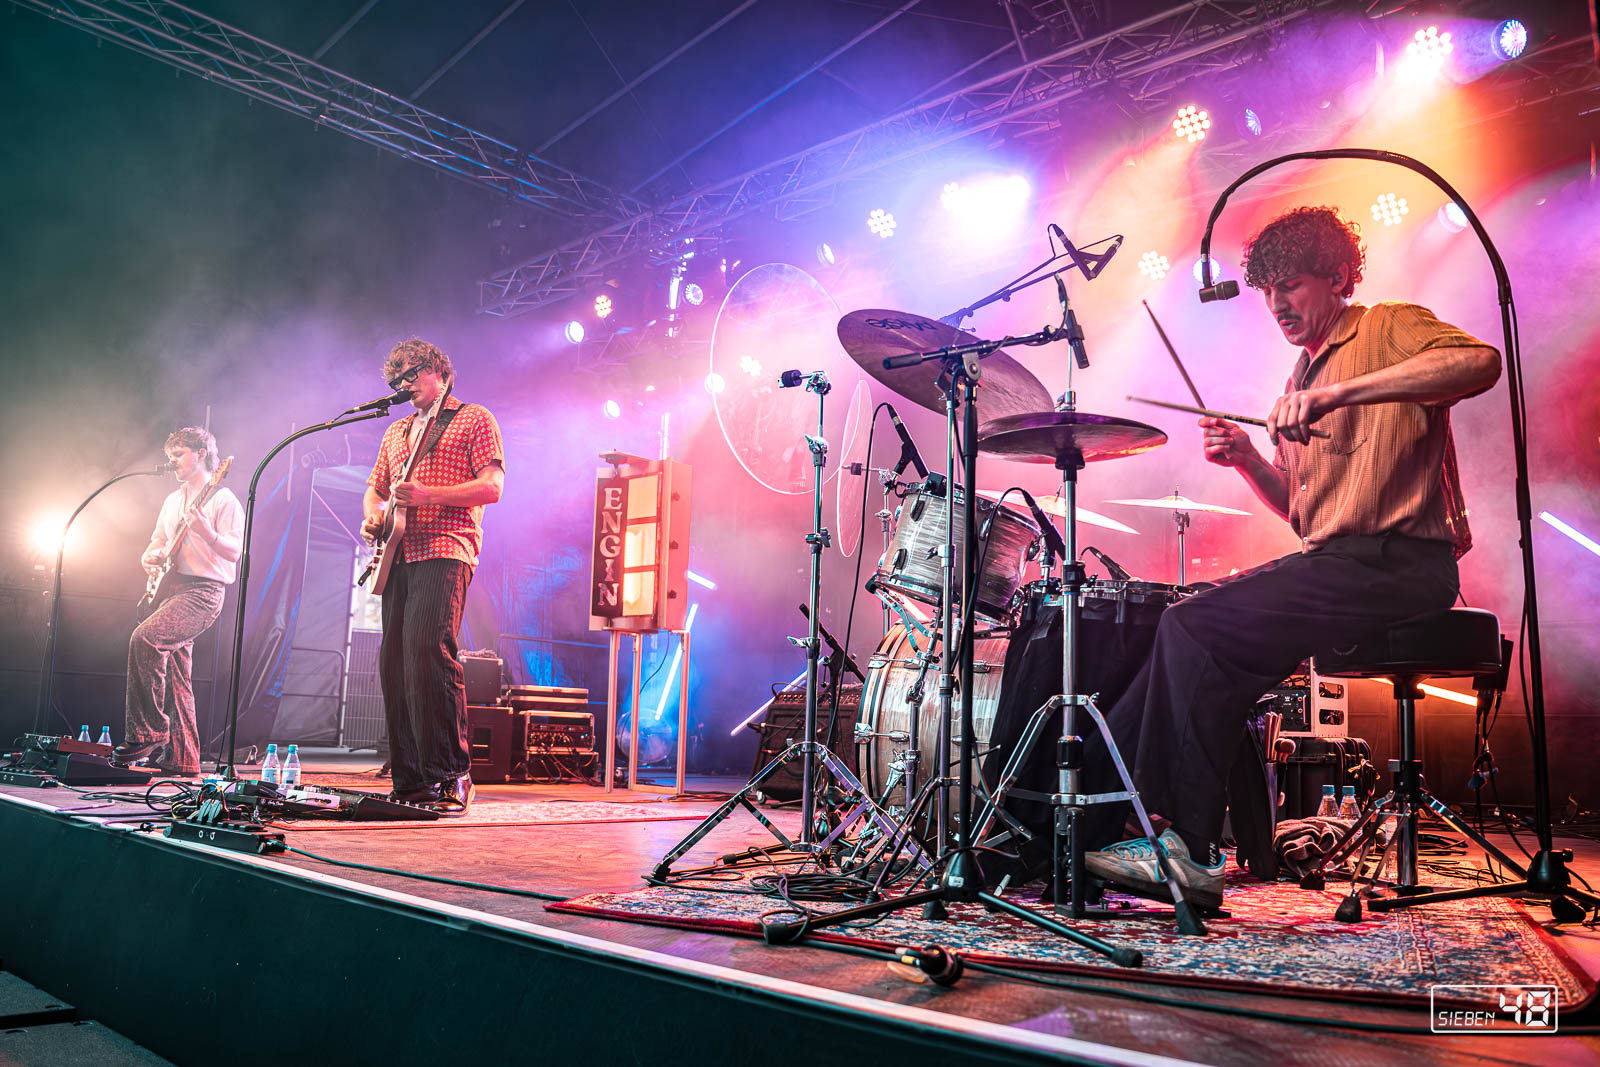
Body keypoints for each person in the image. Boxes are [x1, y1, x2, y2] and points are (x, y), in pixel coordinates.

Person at [1081, 205, 1501, 909]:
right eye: (1268, 289)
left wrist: (1344, 392)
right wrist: (1248, 460)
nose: (1277, 302)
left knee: (1190, 627)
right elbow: (1303, 514)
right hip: (1338, 564)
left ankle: (1165, 839)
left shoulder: (1386, 325)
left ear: (1336, 277)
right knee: (1208, 657)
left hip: (1402, 565)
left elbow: (1480, 362)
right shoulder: (1294, 385)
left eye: (1292, 285)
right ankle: (1179, 846)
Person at [363, 339, 504, 815]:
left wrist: (429, 496)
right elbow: (374, 491)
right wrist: (373, 517)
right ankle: (411, 778)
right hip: (399, 554)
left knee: (428, 652)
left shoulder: (473, 417)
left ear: (438, 371)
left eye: (411, 376)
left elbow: (492, 487)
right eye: (396, 382)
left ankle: (451, 773)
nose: (404, 387)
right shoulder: (396, 431)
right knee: (394, 664)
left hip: (447, 547)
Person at [113, 427, 243, 776]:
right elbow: (156, 542)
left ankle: (148, 732)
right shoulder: (173, 501)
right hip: (171, 588)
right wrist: (150, 558)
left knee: (146, 639)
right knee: (176, 676)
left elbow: (235, 550)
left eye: (179, 454)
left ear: (201, 454)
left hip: (203, 593)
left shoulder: (222, 498)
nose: (172, 462)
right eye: (171, 456)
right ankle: (183, 758)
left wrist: (206, 532)